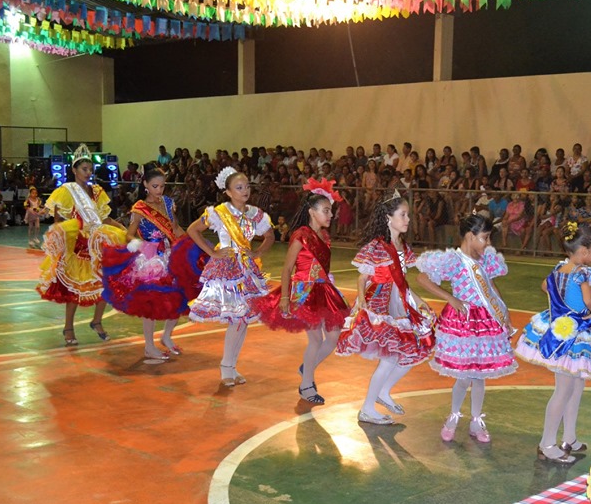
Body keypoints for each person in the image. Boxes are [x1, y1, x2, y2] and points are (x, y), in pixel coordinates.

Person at [514, 222, 591, 463]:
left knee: (576, 385)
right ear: (583, 252)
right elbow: (589, 299)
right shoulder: (583, 273)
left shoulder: (560, 268)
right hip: (573, 334)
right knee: (563, 390)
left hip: (561, 328)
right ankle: (547, 443)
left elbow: (545, 286)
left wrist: (559, 303)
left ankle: (569, 437)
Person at [336, 192, 437, 425]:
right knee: (391, 357)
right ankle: (368, 408)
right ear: (388, 218)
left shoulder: (403, 245)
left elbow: (402, 281)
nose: (408, 219)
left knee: (413, 351)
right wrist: (361, 299)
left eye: (408, 215)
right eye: (403, 215)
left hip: (401, 300)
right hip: (381, 302)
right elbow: (362, 278)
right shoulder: (377, 247)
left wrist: (417, 299)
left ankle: (383, 392)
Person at [416, 215, 517, 443]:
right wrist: (450, 298)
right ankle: (453, 415)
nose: (488, 243)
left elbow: (490, 287)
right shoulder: (454, 260)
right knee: (463, 375)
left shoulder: (483, 260)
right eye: (485, 238)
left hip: (485, 320)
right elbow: (422, 278)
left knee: (479, 375)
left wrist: (505, 313)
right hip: (463, 320)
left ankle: (476, 420)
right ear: (470, 236)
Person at [254, 179, 350, 405]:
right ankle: (307, 385)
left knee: (334, 336)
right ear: (312, 212)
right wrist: (285, 298)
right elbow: (287, 268)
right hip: (304, 291)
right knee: (316, 339)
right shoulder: (300, 235)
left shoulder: (325, 237)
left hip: (323, 290)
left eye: (331, 211)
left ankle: (307, 368)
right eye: (326, 211)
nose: (331, 215)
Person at [101, 169, 206, 361]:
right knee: (150, 302)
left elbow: (174, 228)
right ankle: (149, 346)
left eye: (162, 186)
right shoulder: (139, 208)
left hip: (169, 254)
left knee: (178, 295)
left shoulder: (168, 203)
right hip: (150, 258)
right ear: (146, 185)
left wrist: (189, 242)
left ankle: (166, 336)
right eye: (155, 186)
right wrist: (136, 243)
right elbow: (129, 234)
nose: (159, 190)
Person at [186, 166, 275, 387]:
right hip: (227, 271)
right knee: (237, 319)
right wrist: (212, 252)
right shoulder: (219, 212)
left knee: (243, 320)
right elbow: (192, 230)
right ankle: (226, 367)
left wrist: (257, 252)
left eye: (246, 186)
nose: (244, 190)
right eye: (239, 187)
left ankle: (231, 367)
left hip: (247, 270)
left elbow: (270, 235)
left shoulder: (255, 213)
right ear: (228, 191)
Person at [37, 150, 128, 346]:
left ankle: (97, 321)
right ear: (74, 170)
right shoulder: (67, 190)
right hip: (78, 244)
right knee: (76, 289)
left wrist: (121, 227)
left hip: (98, 242)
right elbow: (59, 219)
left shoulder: (96, 191)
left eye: (90, 169)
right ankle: (68, 327)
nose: (88, 173)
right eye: (84, 169)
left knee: (105, 283)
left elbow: (103, 218)